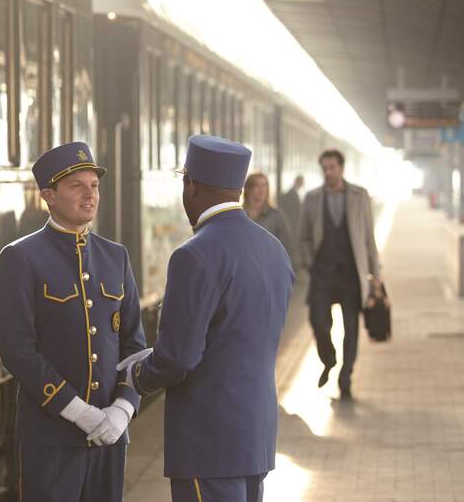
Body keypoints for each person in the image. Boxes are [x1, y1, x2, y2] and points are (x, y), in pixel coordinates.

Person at [118, 135, 294, 502]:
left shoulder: (194, 255)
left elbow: (178, 357)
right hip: (256, 436)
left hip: (208, 440)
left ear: (191, 185)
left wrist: (134, 375)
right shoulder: (273, 248)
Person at [0, 141, 146, 502]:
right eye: (77, 186)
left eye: (94, 185)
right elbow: (17, 350)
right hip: (52, 439)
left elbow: (134, 345)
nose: (90, 195)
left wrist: (122, 410)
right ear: (49, 196)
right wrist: (79, 413)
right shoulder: (21, 257)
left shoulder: (116, 256)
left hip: (110, 437)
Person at [298, 149, 381, 400]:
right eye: (324, 168)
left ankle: (346, 377)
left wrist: (376, 275)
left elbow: (369, 239)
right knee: (317, 320)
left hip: (351, 275)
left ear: (341, 168)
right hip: (322, 273)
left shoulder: (359, 196)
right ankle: (329, 358)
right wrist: (310, 263)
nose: (328, 172)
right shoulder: (312, 199)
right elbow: (304, 238)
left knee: (351, 327)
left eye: (332, 167)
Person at [243, 172, 292, 252]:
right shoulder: (240, 214)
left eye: (264, 185)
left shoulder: (276, 215)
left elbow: (286, 245)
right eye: (256, 185)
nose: (261, 190)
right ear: (248, 189)